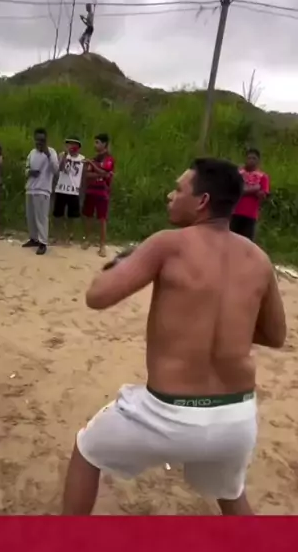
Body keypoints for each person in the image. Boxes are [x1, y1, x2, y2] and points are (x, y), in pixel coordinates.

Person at [62, 158, 286, 517]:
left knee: (87, 450)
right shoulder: (259, 259)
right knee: (230, 493)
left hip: (167, 413)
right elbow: (275, 335)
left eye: (179, 189)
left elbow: (97, 297)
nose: (170, 195)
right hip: (236, 418)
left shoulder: (168, 244)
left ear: (202, 201)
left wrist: (122, 261)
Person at [23, 128, 59, 255]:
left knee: (41, 217)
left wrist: (48, 154)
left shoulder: (52, 152)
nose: (39, 142)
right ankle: (33, 238)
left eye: (42, 140)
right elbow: (26, 169)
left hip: (43, 189)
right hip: (30, 188)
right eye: (37, 140)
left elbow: (55, 169)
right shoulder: (32, 153)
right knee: (31, 216)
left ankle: (43, 242)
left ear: (46, 140)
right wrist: (30, 172)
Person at [82, 133, 115, 258]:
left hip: (102, 192)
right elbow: (87, 175)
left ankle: (102, 245)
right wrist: (101, 173)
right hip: (91, 190)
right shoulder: (94, 159)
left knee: (102, 219)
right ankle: (88, 239)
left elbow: (105, 173)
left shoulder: (109, 159)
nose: (95, 145)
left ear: (104, 144)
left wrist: (93, 166)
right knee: (88, 216)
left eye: (97, 142)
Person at [230, 148, 270, 242]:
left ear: (258, 161)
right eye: (249, 158)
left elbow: (263, 195)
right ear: (245, 159)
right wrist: (254, 189)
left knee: (247, 242)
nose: (251, 160)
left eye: (254, 158)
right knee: (231, 241)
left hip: (250, 215)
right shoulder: (238, 174)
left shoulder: (263, 177)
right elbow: (234, 190)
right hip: (235, 212)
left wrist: (247, 190)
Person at [52, 138, 85, 243]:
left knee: (72, 216)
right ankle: (57, 235)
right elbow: (61, 169)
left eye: (73, 144)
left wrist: (82, 189)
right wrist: (65, 156)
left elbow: (83, 175)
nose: (71, 147)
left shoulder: (82, 159)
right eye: (69, 144)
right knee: (58, 214)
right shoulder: (62, 155)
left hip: (73, 190)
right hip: (61, 188)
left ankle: (69, 235)